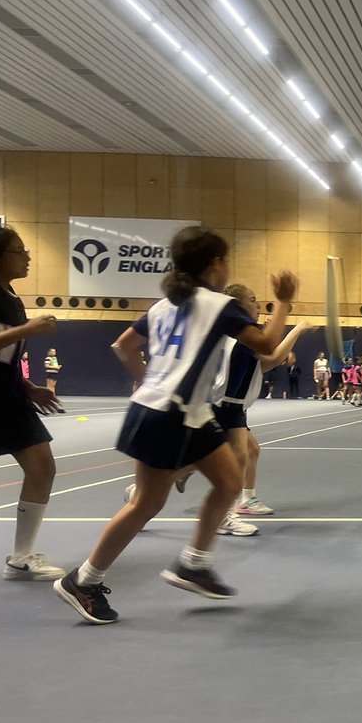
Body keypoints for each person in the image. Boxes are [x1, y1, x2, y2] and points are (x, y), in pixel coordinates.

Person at [53, 225, 298, 625]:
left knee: (229, 482)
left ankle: (194, 563)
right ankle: (84, 580)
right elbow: (268, 345)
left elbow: (123, 346)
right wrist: (284, 302)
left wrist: (147, 379)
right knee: (147, 503)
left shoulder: (164, 305)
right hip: (173, 414)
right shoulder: (219, 305)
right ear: (216, 264)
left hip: (175, 410)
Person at [0, 225, 66, 581]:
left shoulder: (12, 298)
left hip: (8, 399)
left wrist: (27, 386)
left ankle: (21, 558)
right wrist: (27, 330)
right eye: (19, 252)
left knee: (42, 467)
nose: (27, 258)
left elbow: (2, 355)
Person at [215, 284, 313, 526]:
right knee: (232, 459)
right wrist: (298, 329)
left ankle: (245, 500)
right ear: (237, 306)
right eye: (253, 299)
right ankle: (226, 515)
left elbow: (265, 364)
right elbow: (274, 356)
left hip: (234, 406)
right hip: (225, 405)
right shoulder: (241, 333)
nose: (258, 304)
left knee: (250, 451)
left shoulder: (240, 333)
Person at [44, 348, 65, 412]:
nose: (54, 352)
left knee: (53, 386)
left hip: (55, 373)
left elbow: (54, 365)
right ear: (49, 352)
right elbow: (46, 366)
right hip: (50, 373)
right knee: (49, 386)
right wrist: (55, 367)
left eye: (55, 351)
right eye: (52, 351)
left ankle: (53, 398)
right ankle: (48, 398)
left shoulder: (55, 358)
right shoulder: (48, 358)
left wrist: (58, 367)